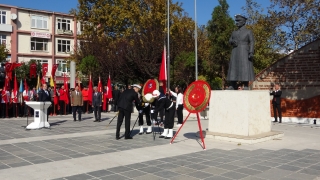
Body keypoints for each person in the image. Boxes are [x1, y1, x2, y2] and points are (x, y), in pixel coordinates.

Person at [227, 14, 255, 90]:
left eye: (238, 21)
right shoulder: (234, 32)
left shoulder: (248, 32)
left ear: (243, 22)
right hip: (235, 50)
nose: (237, 22)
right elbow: (230, 41)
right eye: (236, 21)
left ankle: (246, 85)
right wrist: (232, 42)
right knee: (234, 67)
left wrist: (251, 52)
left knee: (245, 67)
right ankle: (232, 84)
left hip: (244, 50)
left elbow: (252, 42)